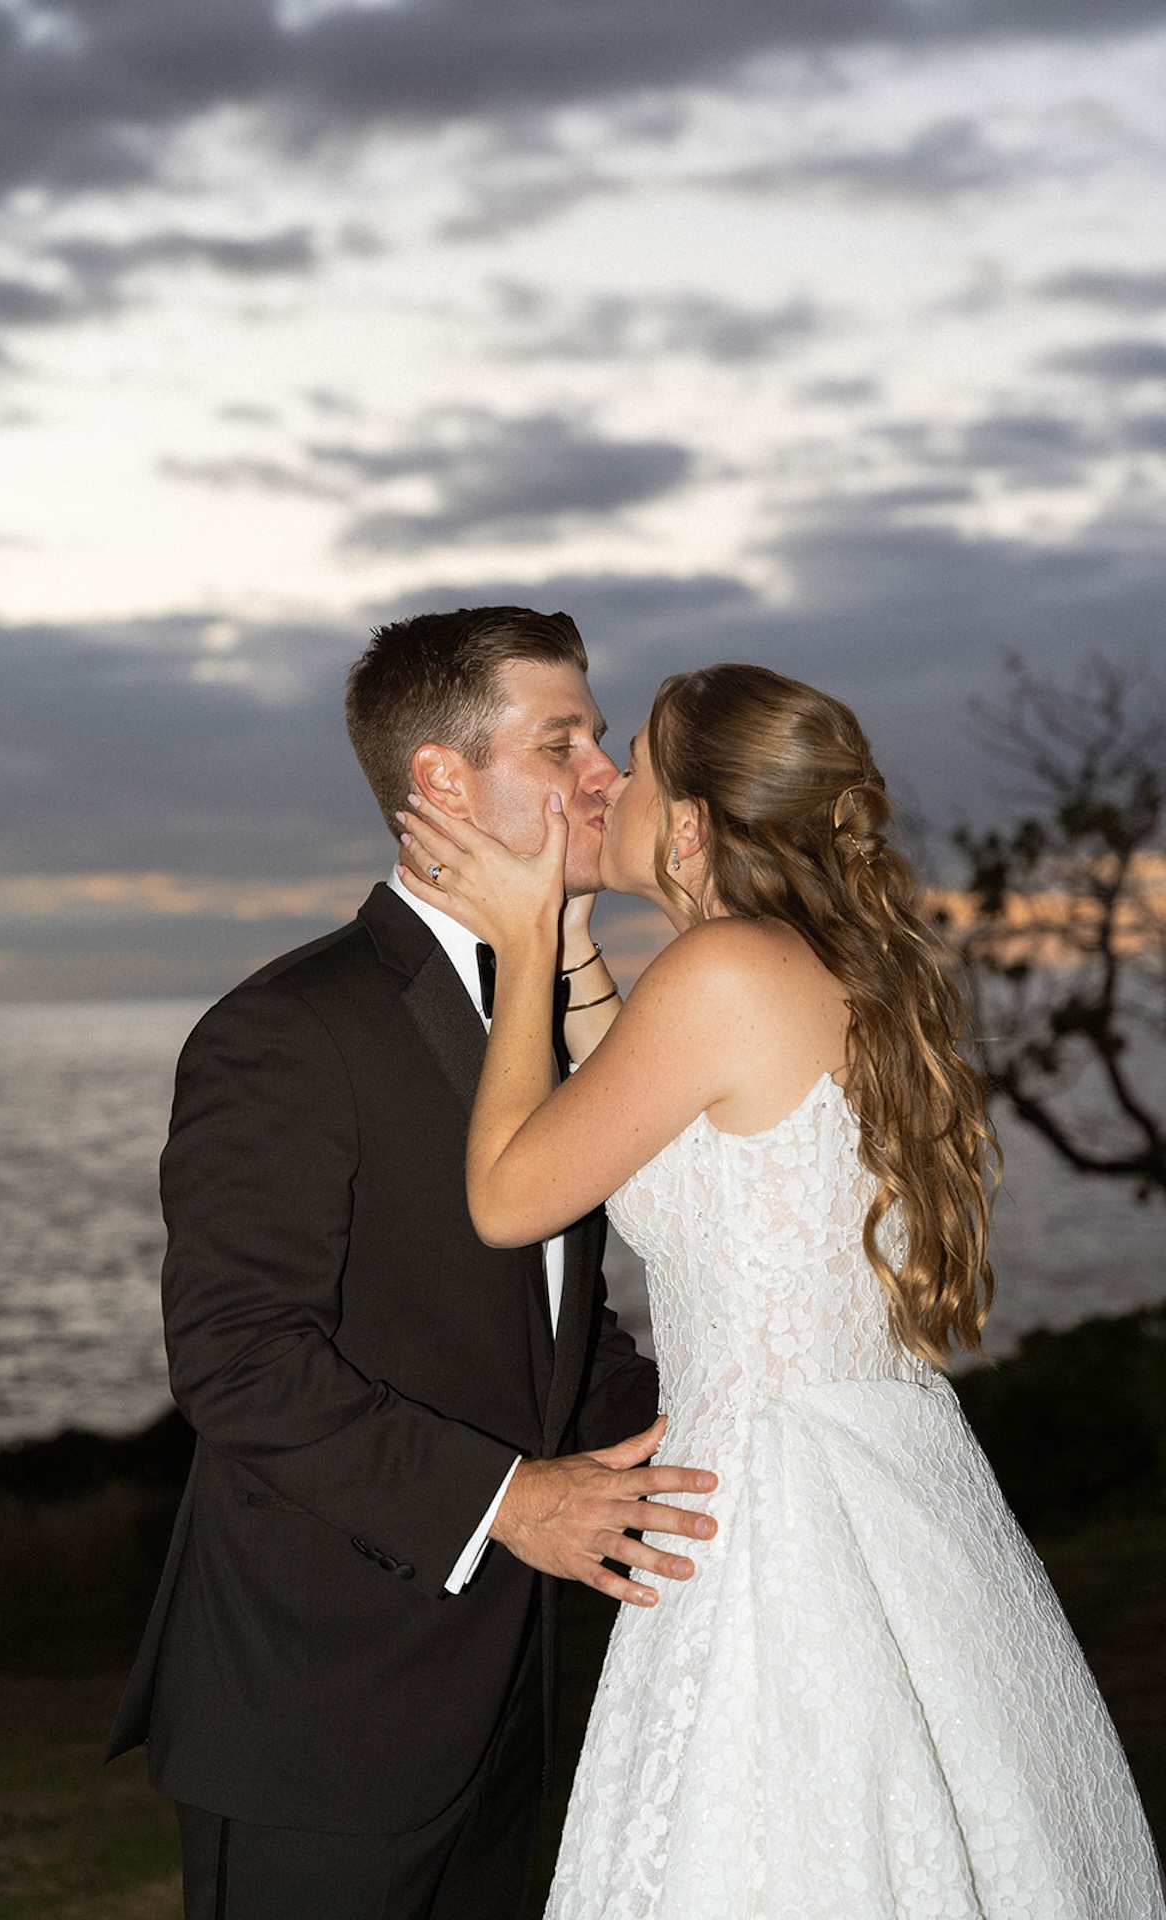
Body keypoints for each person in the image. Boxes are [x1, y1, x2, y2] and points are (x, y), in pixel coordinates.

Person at [396, 661, 1166, 1919]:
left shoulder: (720, 977)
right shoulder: (792, 965)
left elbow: (507, 1196)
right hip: (874, 1460)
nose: (606, 779)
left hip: (766, 1499)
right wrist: (577, 950)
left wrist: (526, 938)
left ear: (688, 824)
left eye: (633, 762)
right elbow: (649, 1107)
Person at [105, 606, 719, 1920]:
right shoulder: (289, 1030)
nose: (608, 778)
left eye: (599, 741)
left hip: (509, 1709)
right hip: (318, 1715)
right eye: (566, 746)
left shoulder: (550, 1015)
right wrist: (516, 1505)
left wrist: (740, 1462)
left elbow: (560, 1333)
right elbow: (239, 1362)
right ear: (442, 781)